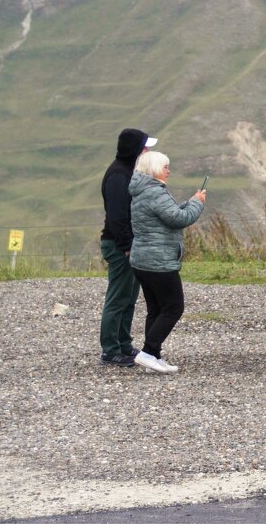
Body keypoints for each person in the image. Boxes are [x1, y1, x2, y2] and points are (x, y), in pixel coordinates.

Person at [128, 150, 206, 374]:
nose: (168, 171)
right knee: (174, 307)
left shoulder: (142, 191)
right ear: (153, 169)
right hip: (159, 261)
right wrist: (198, 204)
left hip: (142, 259)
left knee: (156, 309)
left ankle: (154, 356)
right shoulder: (155, 192)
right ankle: (148, 352)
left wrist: (189, 202)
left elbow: (167, 215)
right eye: (165, 167)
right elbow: (180, 219)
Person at [98, 128, 157, 367]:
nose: (148, 151)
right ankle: (110, 349)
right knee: (118, 297)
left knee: (129, 298)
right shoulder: (118, 175)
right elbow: (117, 216)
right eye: (144, 147)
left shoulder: (128, 172)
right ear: (135, 149)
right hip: (120, 245)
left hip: (129, 245)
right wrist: (127, 245)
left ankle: (123, 344)